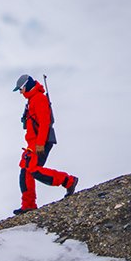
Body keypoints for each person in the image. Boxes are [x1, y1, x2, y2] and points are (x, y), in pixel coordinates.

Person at [12, 73, 78, 214]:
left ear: (26, 86)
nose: (20, 92)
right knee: (25, 171)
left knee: (33, 170)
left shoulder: (39, 99)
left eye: (20, 89)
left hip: (40, 142)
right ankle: (28, 205)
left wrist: (40, 143)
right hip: (32, 144)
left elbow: (44, 123)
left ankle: (68, 181)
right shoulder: (31, 100)